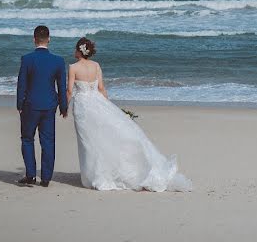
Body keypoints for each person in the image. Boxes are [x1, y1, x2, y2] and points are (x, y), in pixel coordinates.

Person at [68, 37, 191, 191]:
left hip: (83, 107)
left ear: (79, 51)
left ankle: (95, 174)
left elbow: (69, 91)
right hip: (98, 103)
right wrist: (108, 108)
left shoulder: (73, 68)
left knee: (90, 140)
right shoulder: (96, 66)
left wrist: (64, 108)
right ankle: (99, 172)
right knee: (101, 137)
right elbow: (101, 89)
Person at [16, 25, 68, 187]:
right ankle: (45, 178)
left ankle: (31, 175)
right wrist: (64, 107)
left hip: (30, 104)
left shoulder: (27, 59)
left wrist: (19, 104)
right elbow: (62, 86)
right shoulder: (58, 61)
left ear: (34, 39)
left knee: (27, 139)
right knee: (48, 141)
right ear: (49, 39)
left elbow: (21, 84)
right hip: (49, 105)